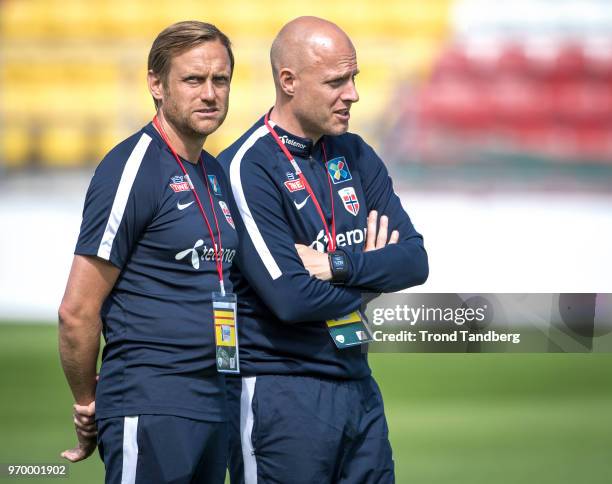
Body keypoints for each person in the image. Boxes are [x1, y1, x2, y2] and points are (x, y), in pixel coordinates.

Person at [218, 16, 428, 484]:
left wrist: (336, 265)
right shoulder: (246, 167)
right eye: (336, 81)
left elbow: (415, 261)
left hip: (358, 386)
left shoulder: (355, 153)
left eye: (353, 78)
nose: (352, 93)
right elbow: (290, 299)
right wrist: (372, 279)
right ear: (288, 81)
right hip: (281, 395)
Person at [58, 21, 238, 484]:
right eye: (193, 80)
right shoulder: (132, 167)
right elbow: (77, 312)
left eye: (220, 80)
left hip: (215, 401)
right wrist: (86, 402)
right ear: (156, 84)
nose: (210, 94)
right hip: (152, 404)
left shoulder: (214, 172)